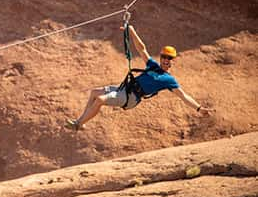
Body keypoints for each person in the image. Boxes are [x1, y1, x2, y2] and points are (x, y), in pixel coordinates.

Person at [65, 24, 213, 131]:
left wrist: (199, 109)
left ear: (173, 61)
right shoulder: (153, 66)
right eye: (164, 57)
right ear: (161, 58)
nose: (166, 60)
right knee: (94, 93)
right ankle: (82, 122)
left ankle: (77, 124)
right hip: (124, 89)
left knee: (100, 100)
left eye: (169, 58)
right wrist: (131, 30)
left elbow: (183, 96)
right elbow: (141, 48)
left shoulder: (169, 80)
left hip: (131, 98)